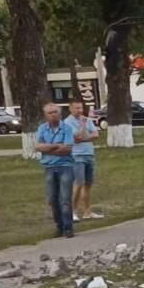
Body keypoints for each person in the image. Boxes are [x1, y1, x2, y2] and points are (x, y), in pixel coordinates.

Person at [35, 103, 75, 238]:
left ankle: (68, 227)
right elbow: (38, 147)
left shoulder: (67, 128)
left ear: (60, 113)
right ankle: (59, 226)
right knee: (52, 199)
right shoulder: (42, 128)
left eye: (55, 112)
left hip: (66, 167)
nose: (52, 115)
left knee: (65, 199)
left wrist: (48, 149)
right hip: (49, 167)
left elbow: (67, 149)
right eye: (49, 113)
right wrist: (57, 146)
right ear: (45, 115)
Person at [64, 100, 102, 221]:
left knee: (88, 184)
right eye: (76, 108)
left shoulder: (86, 119)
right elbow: (76, 136)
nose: (79, 110)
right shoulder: (67, 122)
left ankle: (87, 211)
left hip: (89, 154)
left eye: (80, 108)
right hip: (76, 155)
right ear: (70, 109)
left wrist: (84, 138)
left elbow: (95, 134)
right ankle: (72, 212)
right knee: (79, 183)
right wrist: (81, 125)